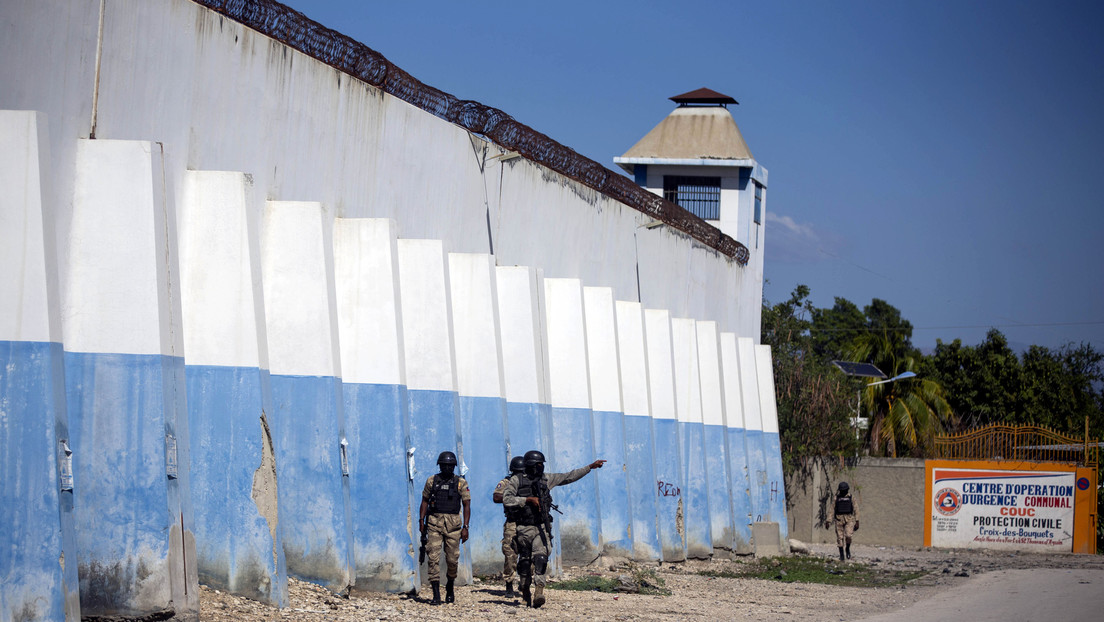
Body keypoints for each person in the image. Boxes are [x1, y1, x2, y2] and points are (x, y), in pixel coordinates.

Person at [501, 450, 605, 608]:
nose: (541, 467)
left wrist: (590, 467)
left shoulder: (546, 479)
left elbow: (568, 476)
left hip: (541, 526)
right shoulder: (517, 480)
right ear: (529, 466)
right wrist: (527, 500)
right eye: (537, 465)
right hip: (523, 528)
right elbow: (506, 499)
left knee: (541, 558)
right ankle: (525, 591)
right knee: (524, 562)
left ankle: (539, 592)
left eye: (542, 464)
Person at [419, 451, 471, 605]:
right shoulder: (431, 481)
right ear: (440, 466)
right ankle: (436, 594)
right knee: (433, 558)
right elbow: (424, 501)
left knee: (452, 560)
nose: (447, 468)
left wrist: (465, 527)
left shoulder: (461, 483)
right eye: (444, 465)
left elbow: (467, 505)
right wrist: (421, 520)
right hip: (434, 523)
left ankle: (449, 586)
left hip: (453, 525)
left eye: (450, 466)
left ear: (454, 466)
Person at [492, 456, 526, 598]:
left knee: (527, 555)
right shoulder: (506, 482)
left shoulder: (528, 483)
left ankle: (525, 583)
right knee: (510, 554)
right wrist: (514, 498)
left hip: (527, 523)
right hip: (512, 522)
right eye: (517, 472)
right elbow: (496, 497)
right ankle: (509, 584)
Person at [827, 481, 859, 561]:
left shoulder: (851, 497)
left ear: (847, 490)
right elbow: (832, 510)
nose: (843, 491)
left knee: (848, 535)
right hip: (839, 519)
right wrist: (828, 521)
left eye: (844, 490)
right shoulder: (836, 498)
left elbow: (856, 509)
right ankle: (841, 555)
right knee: (839, 538)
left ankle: (847, 548)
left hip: (849, 519)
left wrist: (857, 521)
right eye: (842, 490)